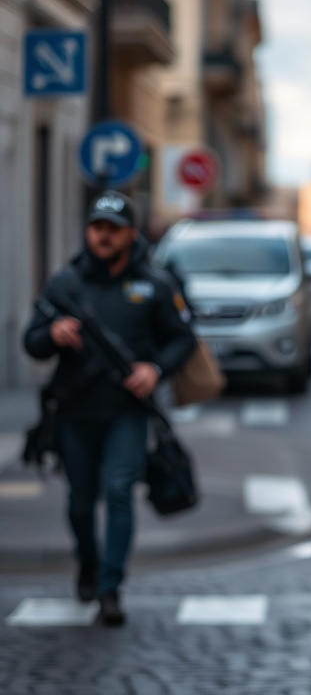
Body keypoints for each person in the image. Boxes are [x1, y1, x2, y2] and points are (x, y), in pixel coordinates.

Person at [22, 191, 196, 627]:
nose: (103, 237)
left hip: (127, 411)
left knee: (120, 491)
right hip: (75, 412)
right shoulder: (66, 283)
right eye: (97, 228)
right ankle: (88, 561)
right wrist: (53, 334)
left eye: (113, 230)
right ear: (87, 232)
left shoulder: (154, 284)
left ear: (130, 235)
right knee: (81, 502)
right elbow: (32, 341)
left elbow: (182, 339)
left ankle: (110, 587)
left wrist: (155, 369)